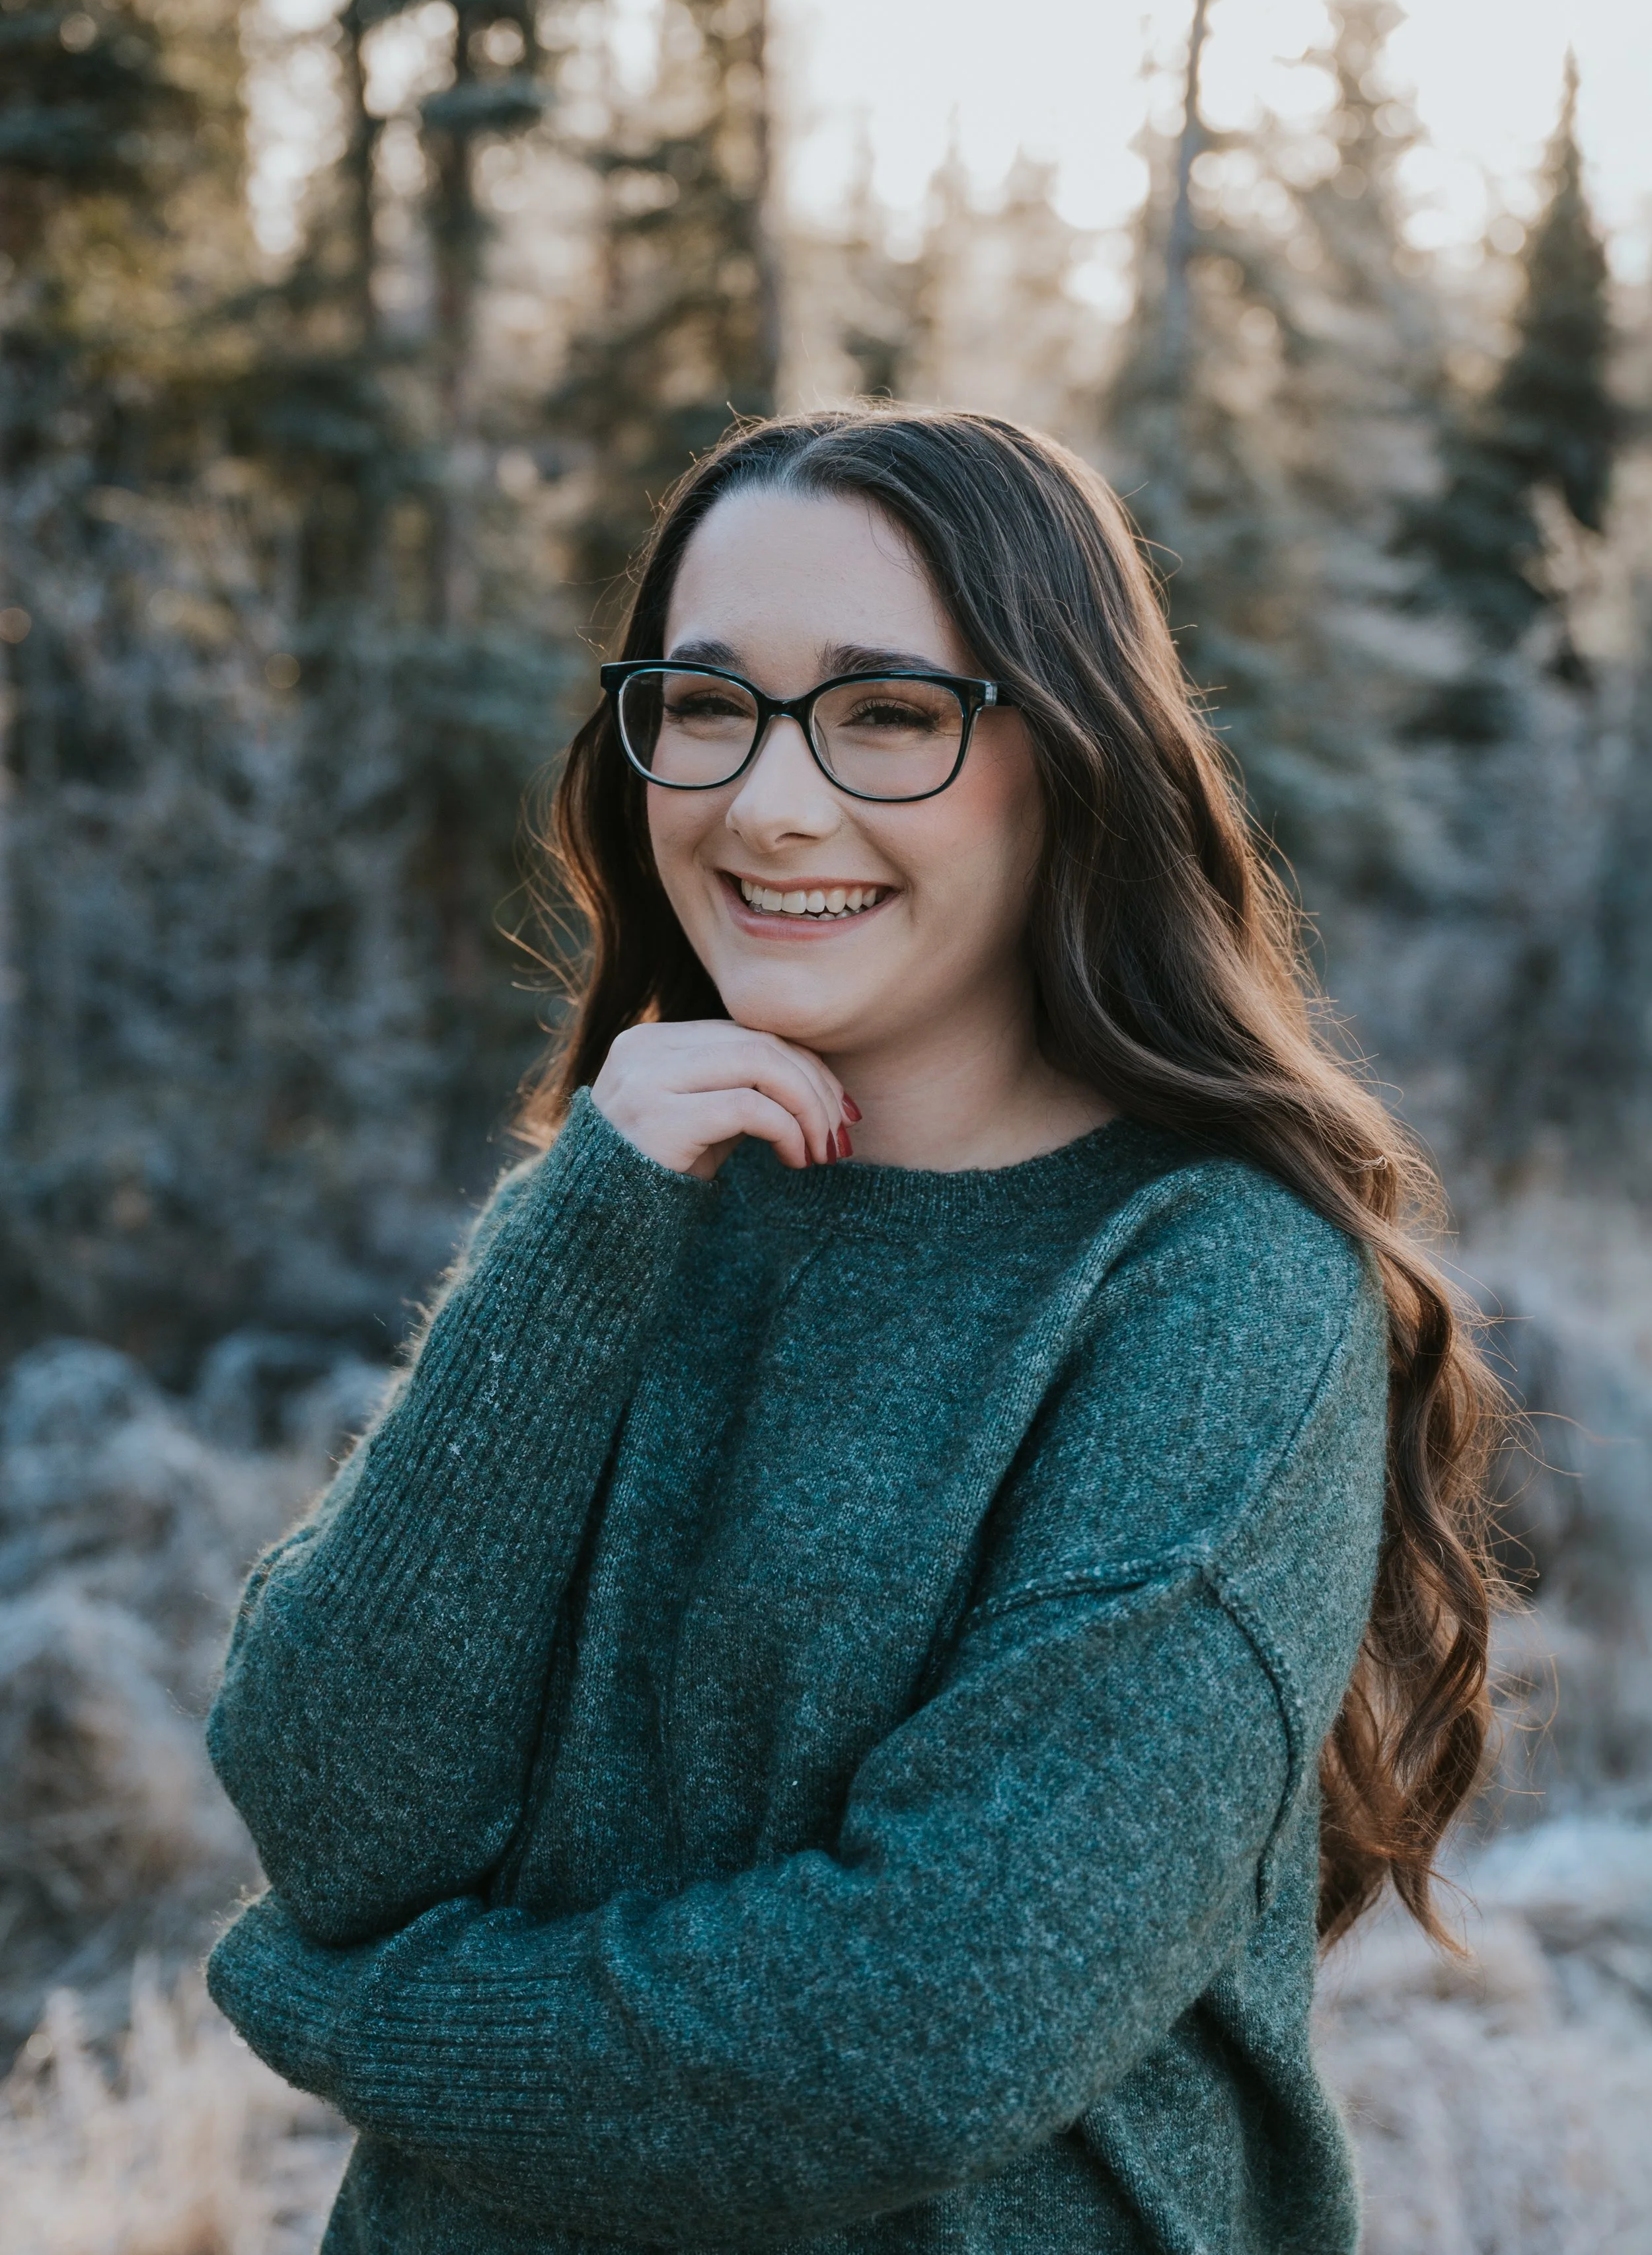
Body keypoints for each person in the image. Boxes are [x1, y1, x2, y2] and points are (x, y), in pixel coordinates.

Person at [204, 409, 1505, 2254]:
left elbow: (915, 2028)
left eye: (888, 711)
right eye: (706, 702)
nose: (767, 801)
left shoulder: (1206, 1288)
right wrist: (574, 1233)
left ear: (1065, 755)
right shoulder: (624, 1208)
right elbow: (328, 1801)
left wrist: (359, 2012)